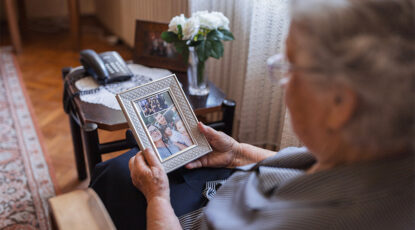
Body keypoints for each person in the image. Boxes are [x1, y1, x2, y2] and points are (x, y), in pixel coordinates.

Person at [90, 0, 414, 229]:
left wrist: (157, 198)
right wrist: (236, 153)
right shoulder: (375, 151)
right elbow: (305, 167)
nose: (283, 83)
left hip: (193, 219)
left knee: (118, 175)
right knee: (133, 164)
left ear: (341, 104)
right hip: (239, 188)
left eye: (289, 67)